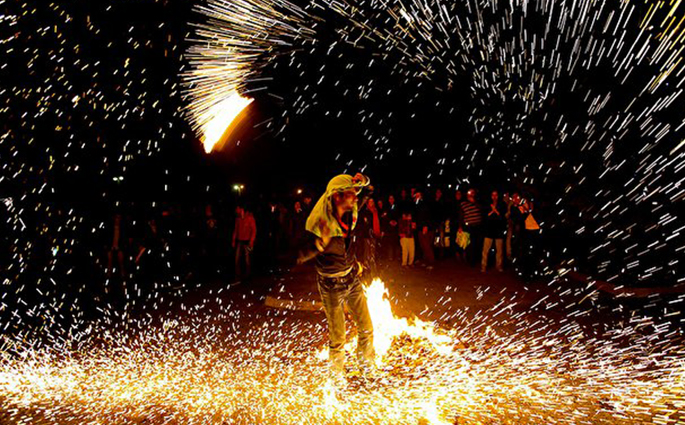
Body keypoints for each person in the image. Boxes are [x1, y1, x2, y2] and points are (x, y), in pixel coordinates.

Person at [297, 173, 375, 386]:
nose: (356, 198)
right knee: (338, 339)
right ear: (337, 196)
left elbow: (368, 190)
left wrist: (362, 180)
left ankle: (367, 370)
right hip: (331, 286)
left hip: (351, 279)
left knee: (367, 328)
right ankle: (336, 381)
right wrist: (317, 245)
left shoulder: (350, 208)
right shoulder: (320, 223)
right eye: (351, 194)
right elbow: (300, 254)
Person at [482, 190, 506, 272]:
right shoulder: (487, 204)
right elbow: (486, 216)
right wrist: (493, 210)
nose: (494, 197)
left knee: (499, 250)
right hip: (489, 230)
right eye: (493, 195)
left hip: (499, 230)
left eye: (496, 195)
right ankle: (483, 265)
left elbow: (502, 216)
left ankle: (499, 265)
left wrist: (495, 210)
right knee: (485, 250)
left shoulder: (502, 204)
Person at [232, 205, 256, 282]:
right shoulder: (238, 219)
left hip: (247, 241)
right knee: (237, 259)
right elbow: (236, 230)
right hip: (240, 241)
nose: (236, 210)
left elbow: (254, 230)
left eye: (237, 209)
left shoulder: (250, 218)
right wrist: (233, 240)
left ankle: (247, 276)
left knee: (247, 260)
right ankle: (238, 276)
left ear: (241, 209)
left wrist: (251, 241)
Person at [459, 189, 483, 267]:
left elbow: (482, 210)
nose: (471, 194)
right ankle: (470, 261)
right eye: (469, 193)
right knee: (469, 244)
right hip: (468, 226)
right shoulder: (463, 204)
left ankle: (476, 259)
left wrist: (474, 202)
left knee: (477, 243)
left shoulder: (478, 202)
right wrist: (460, 226)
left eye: (473, 193)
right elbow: (461, 216)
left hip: (477, 226)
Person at [414, 190, 435, 269]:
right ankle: (426, 261)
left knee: (427, 246)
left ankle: (431, 262)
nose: (417, 196)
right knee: (423, 246)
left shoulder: (424, 204)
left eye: (418, 195)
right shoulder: (417, 204)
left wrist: (426, 226)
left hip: (426, 228)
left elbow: (427, 215)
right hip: (420, 228)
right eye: (416, 195)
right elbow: (417, 215)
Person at [381, 194, 400, 262]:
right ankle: (390, 257)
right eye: (390, 198)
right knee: (389, 243)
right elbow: (384, 216)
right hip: (389, 228)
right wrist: (389, 221)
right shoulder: (386, 207)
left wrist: (396, 222)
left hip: (396, 228)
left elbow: (399, 215)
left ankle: (397, 257)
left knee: (397, 243)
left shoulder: (397, 206)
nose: (391, 200)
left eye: (392, 198)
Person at [452, 190, 465, 262]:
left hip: (462, 224)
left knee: (462, 239)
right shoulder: (453, 203)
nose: (458, 195)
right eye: (457, 194)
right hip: (454, 224)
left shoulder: (463, 203)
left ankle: (462, 252)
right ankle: (456, 253)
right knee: (455, 239)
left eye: (459, 194)